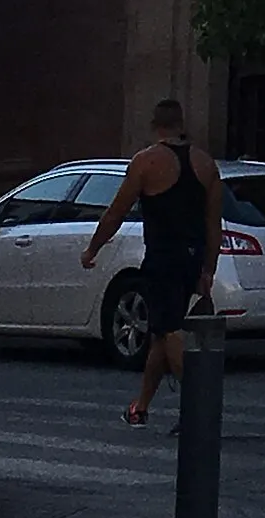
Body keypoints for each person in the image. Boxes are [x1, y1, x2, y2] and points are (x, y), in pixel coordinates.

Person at [82, 96, 222, 426]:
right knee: (161, 332)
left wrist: (93, 249)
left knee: (169, 329)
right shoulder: (206, 164)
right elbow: (213, 223)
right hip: (193, 257)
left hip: (163, 258)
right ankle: (140, 407)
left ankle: (202, 403)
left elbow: (116, 212)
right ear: (181, 124)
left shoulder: (146, 162)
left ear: (155, 126)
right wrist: (208, 269)